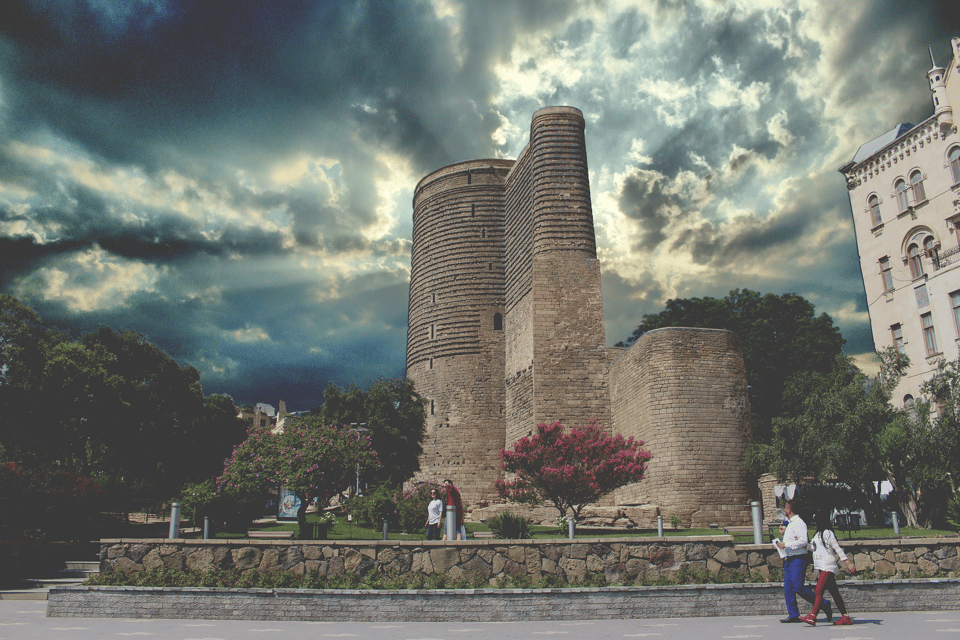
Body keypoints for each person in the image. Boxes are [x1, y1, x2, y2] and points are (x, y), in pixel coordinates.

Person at [775, 500, 832, 623]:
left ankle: (824, 603)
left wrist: (786, 544)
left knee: (798, 587)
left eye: (785, 508)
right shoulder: (790, 524)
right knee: (788, 588)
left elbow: (803, 541)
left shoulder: (799, 523)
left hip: (798, 558)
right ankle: (793, 614)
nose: (784, 511)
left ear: (789, 510)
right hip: (789, 559)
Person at [801, 509, 855, 626]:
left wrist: (847, 562)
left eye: (817, 520)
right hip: (822, 566)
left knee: (818, 590)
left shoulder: (828, 533)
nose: (815, 522)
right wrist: (806, 545)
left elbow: (837, 548)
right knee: (834, 593)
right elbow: (814, 548)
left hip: (828, 566)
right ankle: (845, 617)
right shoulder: (818, 534)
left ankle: (813, 616)